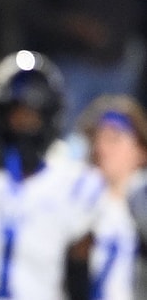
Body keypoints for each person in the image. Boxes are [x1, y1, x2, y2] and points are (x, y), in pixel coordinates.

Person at [0, 50, 106, 300]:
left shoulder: (76, 185)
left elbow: (80, 279)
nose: (24, 126)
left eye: (32, 117)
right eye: (16, 115)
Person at [76, 94, 147, 299]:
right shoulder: (78, 202)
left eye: (114, 139)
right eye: (97, 139)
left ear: (141, 150)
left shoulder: (141, 205)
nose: (102, 148)